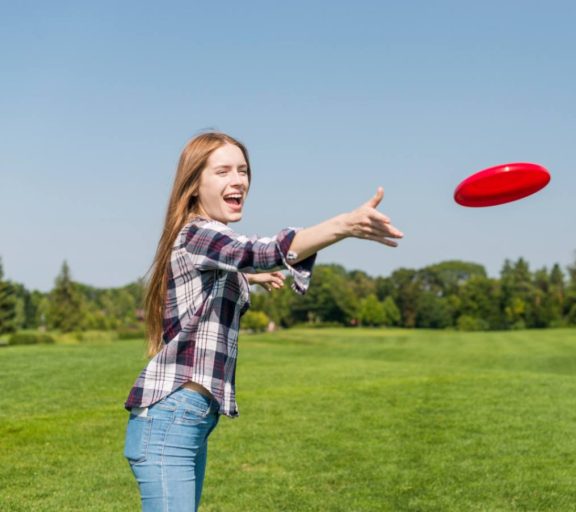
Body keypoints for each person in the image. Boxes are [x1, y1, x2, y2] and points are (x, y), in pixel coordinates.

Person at [123, 131, 403, 511]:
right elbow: (258, 251)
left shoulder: (205, 243)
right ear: (193, 185)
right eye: (222, 171)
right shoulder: (198, 233)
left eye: (243, 170)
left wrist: (248, 277)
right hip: (170, 420)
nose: (238, 180)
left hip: (186, 420)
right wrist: (343, 226)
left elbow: (232, 265)